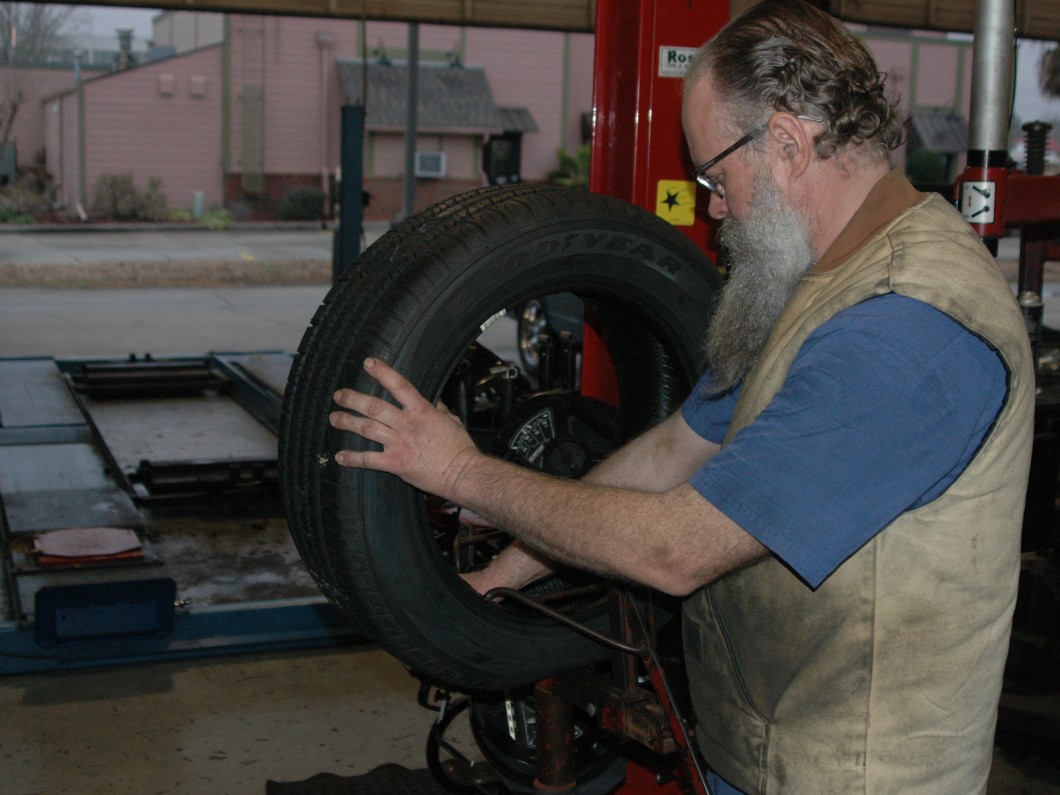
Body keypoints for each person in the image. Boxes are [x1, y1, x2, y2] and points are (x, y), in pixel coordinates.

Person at [327, 2, 1035, 792]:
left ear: (789, 143)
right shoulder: (818, 285)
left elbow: (675, 549)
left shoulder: (906, 333)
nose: (712, 205)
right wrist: (507, 569)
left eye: (715, 174)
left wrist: (463, 472)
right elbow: (673, 451)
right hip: (766, 756)